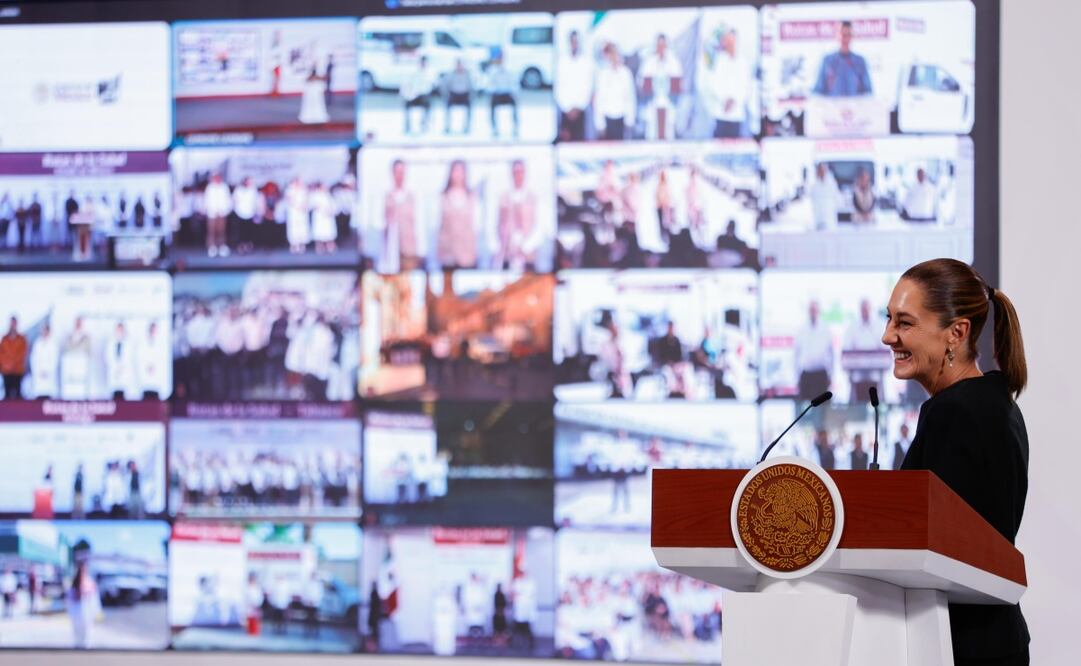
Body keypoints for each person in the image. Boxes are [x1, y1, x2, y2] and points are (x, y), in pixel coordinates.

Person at [884, 258, 1030, 665]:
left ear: (957, 332)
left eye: (904, 323)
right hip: (985, 641)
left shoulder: (958, 412)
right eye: (889, 319)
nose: (887, 336)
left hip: (959, 646)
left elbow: (942, 549)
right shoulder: (991, 402)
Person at [702, 26, 751, 137]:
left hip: (737, 114)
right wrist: (725, 99)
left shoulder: (743, 62)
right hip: (721, 112)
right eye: (727, 40)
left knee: (735, 149)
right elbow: (715, 84)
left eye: (731, 40)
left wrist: (734, 100)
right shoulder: (719, 60)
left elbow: (745, 87)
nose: (729, 43)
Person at [638, 34, 683, 140]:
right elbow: (640, 82)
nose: (661, 48)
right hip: (653, 104)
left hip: (668, 104)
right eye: (659, 46)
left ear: (667, 46)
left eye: (663, 46)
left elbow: (679, 84)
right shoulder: (648, 63)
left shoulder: (674, 63)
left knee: (668, 134)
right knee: (652, 134)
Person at [496, 160, 538, 270]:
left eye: (521, 172)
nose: (518, 175)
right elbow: (498, 223)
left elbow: (539, 226)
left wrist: (525, 247)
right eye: (516, 172)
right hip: (507, 252)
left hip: (527, 253)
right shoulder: (504, 197)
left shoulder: (532, 197)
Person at [813, 20, 873, 97]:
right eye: (842, 34)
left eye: (848, 34)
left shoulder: (860, 62)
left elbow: (868, 91)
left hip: (855, 107)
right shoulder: (827, 61)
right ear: (837, 35)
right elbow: (818, 90)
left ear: (852, 36)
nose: (844, 38)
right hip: (831, 107)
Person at [437, 160, 478, 269]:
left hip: (467, 256)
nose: (458, 175)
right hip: (447, 256)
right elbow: (436, 226)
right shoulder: (442, 197)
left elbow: (477, 227)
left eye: (461, 171)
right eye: (455, 171)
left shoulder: (472, 197)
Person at [843, 298, 886, 400]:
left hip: (875, 376)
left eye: (867, 309)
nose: (865, 312)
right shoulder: (852, 327)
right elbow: (847, 349)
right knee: (858, 407)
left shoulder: (879, 326)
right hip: (858, 378)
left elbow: (885, 349)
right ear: (860, 310)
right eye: (863, 309)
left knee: (875, 405)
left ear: (870, 309)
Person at [593, 43, 637, 140]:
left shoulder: (626, 73)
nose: (613, 56)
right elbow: (599, 100)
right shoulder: (603, 74)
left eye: (615, 53)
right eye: (610, 53)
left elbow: (630, 98)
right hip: (607, 118)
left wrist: (630, 120)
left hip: (622, 118)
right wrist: (600, 124)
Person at [383, 160, 421, 272]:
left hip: (409, 249)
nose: (400, 175)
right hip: (391, 248)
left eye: (402, 172)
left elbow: (418, 222)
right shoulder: (386, 196)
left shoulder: (412, 195)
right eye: (397, 172)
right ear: (392, 173)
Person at [556, 30, 593, 141]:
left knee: (579, 143)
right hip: (565, 110)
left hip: (580, 110)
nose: (574, 44)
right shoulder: (562, 61)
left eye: (576, 41)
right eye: (572, 41)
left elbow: (588, 85)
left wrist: (579, 107)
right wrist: (566, 108)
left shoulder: (586, 61)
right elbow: (559, 85)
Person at [793, 300, 834, 399]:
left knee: (822, 407)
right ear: (808, 311)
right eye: (811, 310)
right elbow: (796, 354)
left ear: (818, 311)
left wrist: (831, 375)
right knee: (806, 408)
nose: (813, 312)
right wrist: (796, 377)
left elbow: (832, 354)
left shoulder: (825, 329)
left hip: (821, 375)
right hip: (806, 375)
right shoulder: (802, 329)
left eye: (815, 310)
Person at [68, 560, 100, 649]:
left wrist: (96, 611)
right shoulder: (74, 582)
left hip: (87, 610)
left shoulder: (90, 582)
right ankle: (78, 646)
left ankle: (85, 647)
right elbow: (70, 597)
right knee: (77, 631)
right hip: (77, 611)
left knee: (87, 631)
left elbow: (94, 598)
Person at [487, 52, 519, 139]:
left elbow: (515, 84)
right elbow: (489, 84)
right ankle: (494, 129)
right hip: (497, 94)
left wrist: (511, 91)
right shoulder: (492, 70)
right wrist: (495, 90)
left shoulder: (510, 69)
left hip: (508, 94)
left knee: (515, 103)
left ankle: (515, 128)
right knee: (491, 104)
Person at [401, 56, 435, 135]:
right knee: (406, 103)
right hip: (414, 96)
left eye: (424, 63)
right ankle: (407, 126)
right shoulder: (414, 73)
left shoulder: (430, 74)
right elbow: (408, 85)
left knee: (426, 102)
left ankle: (424, 124)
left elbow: (430, 87)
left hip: (424, 96)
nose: (423, 64)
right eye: (421, 62)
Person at [104, 322, 135, 400]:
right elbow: (108, 356)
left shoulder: (128, 342)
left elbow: (129, 357)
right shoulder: (111, 342)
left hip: (124, 370)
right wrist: (115, 367)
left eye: (121, 329)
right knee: (114, 392)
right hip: (113, 370)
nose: (119, 331)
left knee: (123, 392)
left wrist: (121, 367)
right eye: (118, 329)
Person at [204, 173, 232, 258]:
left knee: (221, 230)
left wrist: (224, 210)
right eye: (215, 177)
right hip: (212, 213)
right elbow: (207, 200)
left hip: (222, 212)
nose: (217, 179)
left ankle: (221, 247)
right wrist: (212, 210)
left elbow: (227, 199)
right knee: (211, 231)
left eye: (218, 177)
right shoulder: (210, 187)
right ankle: (212, 248)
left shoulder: (224, 187)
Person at [29, 322, 60, 399]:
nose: (45, 332)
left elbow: (55, 359)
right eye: (43, 330)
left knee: (49, 392)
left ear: (49, 331)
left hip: (49, 374)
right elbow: (33, 358)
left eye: (46, 330)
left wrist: (48, 370)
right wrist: (37, 370)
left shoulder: (53, 344)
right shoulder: (37, 343)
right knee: (39, 392)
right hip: (38, 373)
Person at [1, 317, 29, 400]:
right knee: (7, 396)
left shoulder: (21, 339)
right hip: (6, 371)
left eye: (14, 323)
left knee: (18, 396)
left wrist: (13, 364)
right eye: (11, 323)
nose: (13, 325)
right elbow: (1, 354)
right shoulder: (4, 339)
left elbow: (22, 354)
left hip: (17, 371)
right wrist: (6, 365)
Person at [444, 59, 473, 135]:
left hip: (464, 95)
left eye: (461, 65)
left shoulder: (467, 74)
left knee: (469, 106)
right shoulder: (451, 74)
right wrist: (446, 94)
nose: (459, 67)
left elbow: (471, 86)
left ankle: (467, 127)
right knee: (447, 105)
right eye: (458, 65)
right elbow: (446, 85)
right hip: (454, 95)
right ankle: (447, 127)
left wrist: (471, 95)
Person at [810, 163, 841, 230]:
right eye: (820, 170)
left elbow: (836, 196)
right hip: (817, 213)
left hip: (829, 212)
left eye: (823, 170)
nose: (821, 172)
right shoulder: (814, 183)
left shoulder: (831, 182)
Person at [310, 182, 338, 254]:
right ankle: (319, 247)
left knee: (329, 232)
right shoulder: (315, 195)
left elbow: (334, 205)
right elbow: (312, 205)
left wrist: (331, 210)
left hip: (328, 216)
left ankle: (330, 246)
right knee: (319, 232)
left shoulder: (328, 195)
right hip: (319, 216)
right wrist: (320, 208)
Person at [285, 176, 311, 254]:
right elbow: (289, 200)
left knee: (302, 227)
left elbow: (307, 200)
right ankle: (294, 245)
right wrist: (297, 206)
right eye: (297, 181)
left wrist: (304, 206)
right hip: (293, 211)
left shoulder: (304, 190)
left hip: (302, 211)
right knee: (293, 228)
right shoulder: (289, 190)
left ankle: (302, 245)